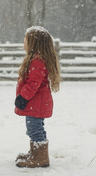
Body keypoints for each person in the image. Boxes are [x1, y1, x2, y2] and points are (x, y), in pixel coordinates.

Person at [14, 26, 61, 168]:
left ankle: (40, 158)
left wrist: (23, 97)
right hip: (35, 104)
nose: (24, 42)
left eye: (26, 40)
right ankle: (35, 153)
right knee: (34, 128)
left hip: (36, 104)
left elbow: (33, 84)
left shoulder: (37, 62)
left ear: (34, 43)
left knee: (35, 129)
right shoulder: (35, 60)